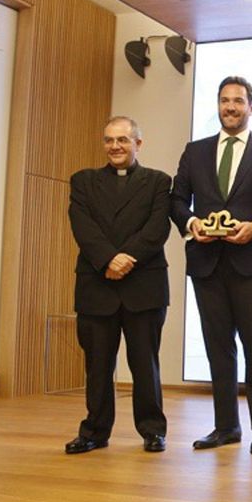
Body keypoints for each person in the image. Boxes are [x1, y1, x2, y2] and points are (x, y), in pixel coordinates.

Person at [170, 75, 252, 455]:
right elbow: (176, 201)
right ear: (218, 105)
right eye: (225, 101)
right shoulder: (195, 151)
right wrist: (193, 225)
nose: (230, 107)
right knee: (217, 347)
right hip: (207, 263)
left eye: (238, 101)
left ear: (251, 107)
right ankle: (225, 426)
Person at [65, 116, 172, 454]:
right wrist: (108, 259)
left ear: (138, 144)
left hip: (144, 286)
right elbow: (82, 226)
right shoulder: (83, 181)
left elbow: (157, 229)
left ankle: (153, 431)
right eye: (109, 140)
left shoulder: (158, 182)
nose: (115, 146)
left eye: (123, 140)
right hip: (97, 285)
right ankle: (94, 431)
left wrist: (126, 259)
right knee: (97, 366)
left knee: (145, 364)